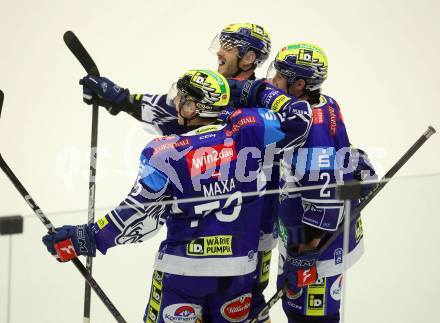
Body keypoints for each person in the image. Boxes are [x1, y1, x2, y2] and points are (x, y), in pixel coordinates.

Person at [43, 69, 313, 323]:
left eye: (181, 98)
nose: (175, 102)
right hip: (238, 272)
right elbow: (299, 115)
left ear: (192, 107)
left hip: (182, 273)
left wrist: (87, 236)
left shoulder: (164, 152)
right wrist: (253, 89)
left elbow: (136, 212)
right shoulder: (251, 128)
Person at [78, 23, 276, 322]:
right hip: (240, 245)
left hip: (255, 233)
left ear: (249, 57)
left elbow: (305, 129)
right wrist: (121, 98)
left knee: (252, 299)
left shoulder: (263, 96)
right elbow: (175, 108)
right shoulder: (254, 121)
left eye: (230, 45)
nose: (220, 51)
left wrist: (93, 236)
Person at [264, 42, 377, 322]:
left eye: (279, 76)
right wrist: (355, 159)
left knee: (311, 316)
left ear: (300, 84)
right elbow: (342, 148)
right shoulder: (327, 103)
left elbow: (323, 199)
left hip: (318, 247)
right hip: (303, 234)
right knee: (294, 308)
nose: (272, 81)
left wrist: (306, 254)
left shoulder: (309, 130)